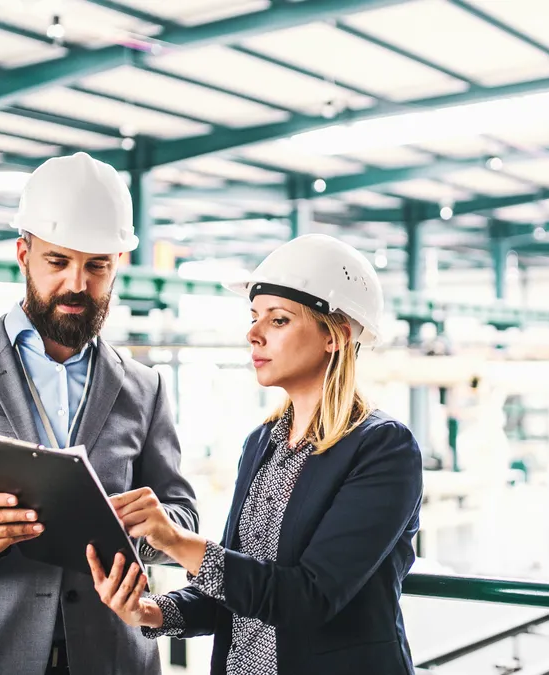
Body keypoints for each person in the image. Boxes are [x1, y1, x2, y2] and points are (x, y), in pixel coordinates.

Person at [0, 152, 198, 675]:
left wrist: (143, 528)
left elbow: (183, 517)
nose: (76, 284)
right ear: (24, 254)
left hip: (113, 654)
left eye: (97, 266)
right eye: (57, 262)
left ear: (117, 264)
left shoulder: (145, 387)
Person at [87, 234, 424, 675]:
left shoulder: (383, 449)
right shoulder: (262, 442)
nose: (253, 334)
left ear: (335, 336)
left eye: (278, 320)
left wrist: (176, 541)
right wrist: (149, 612)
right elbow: (236, 586)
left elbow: (308, 596)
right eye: (254, 318)